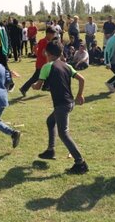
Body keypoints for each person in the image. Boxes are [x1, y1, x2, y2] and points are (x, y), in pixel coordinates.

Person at [31, 40, 88, 174]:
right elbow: (82, 79)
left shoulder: (47, 66)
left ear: (47, 53)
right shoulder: (66, 65)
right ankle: (50, 150)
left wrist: (33, 85)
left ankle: (80, 163)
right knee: (51, 121)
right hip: (69, 102)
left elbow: (38, 86)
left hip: (62, 105)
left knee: (63, 133)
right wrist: (79, 95)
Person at [19, 26, 57, 96]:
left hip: (42, 63)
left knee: (49, 74)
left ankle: (46, 87)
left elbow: (35, 49)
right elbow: (43, 53)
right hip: (41, 64)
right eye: (53, 34)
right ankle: (23, 88)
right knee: (35, 78)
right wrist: (50, 56)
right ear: (48, 34)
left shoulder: (44, 41)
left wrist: (38, 54)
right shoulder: (45, 42)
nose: (54, 36)